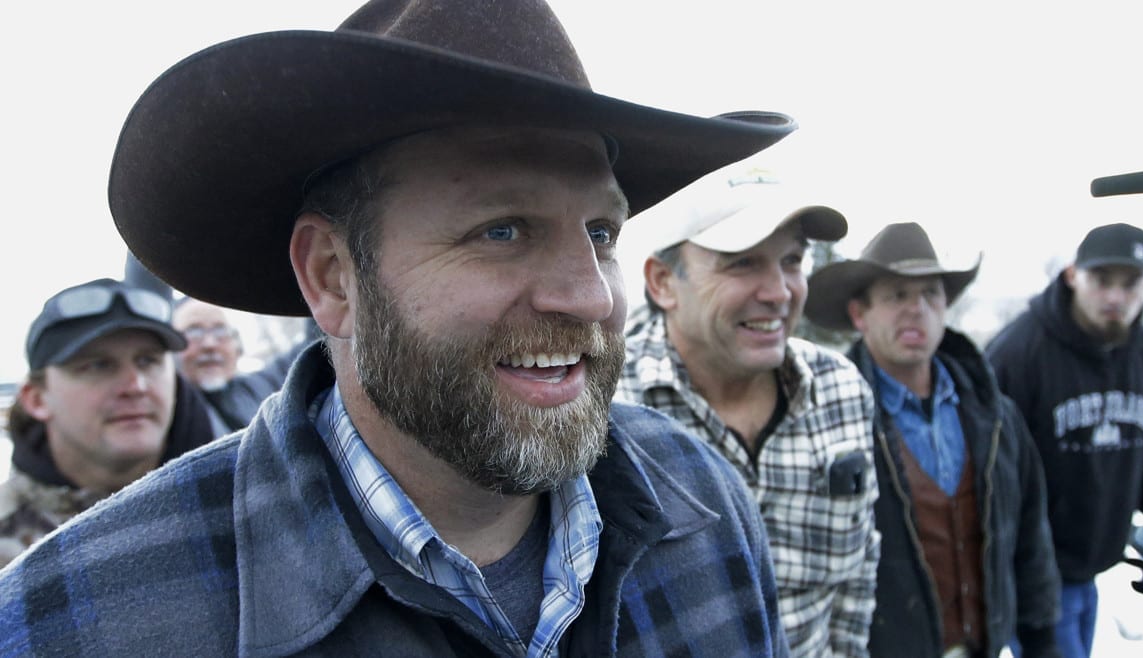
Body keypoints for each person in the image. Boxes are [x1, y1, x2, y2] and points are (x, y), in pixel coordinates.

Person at [0, 1, 797, 655]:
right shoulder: (78, 620)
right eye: (502, 230)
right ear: (331, 276)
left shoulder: (703, 502)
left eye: (600, 233)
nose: (589, 298)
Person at [617, 164, 880, 657]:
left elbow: (859, 569)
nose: (779, 291)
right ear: (663, 282)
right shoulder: (607, 409)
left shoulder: (841, 390)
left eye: (792, 261)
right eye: (741, 263)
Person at [804, 222, 1061, 658]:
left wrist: (1042, 642)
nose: (916, 309)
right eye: (896, 295)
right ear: (859, 314)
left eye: (929, 294)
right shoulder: (827, 422)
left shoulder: (996, 415)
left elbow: (1029, 540)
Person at [985, 222, 1143, 658]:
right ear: (1073, 275)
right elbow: (987, 476)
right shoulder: (1017, 353)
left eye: (1130, 284)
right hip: (1032, 574)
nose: (1115, 297)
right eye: (1101, 280)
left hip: (1094, 565)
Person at [0, 278, 214, 567]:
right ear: (37, 399)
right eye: (98, 365)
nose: (135, 385)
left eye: (148, 361)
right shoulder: (7, 540)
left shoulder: (235, 501)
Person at [172, 297, 303, 435]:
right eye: (194, 332)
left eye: (220, 330)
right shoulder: (164, 414)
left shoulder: (259, 388)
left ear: (237, 346)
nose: (210, 344)